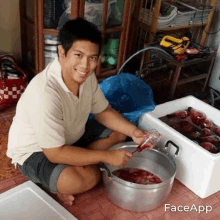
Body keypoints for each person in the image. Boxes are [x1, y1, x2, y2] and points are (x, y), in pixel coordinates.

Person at [7, 18, 157, 206]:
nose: (85, 65)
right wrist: (107, 156)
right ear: (62, 52)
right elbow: (54, 153)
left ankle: (75, 162)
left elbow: (103, 111)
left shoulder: (86, 77)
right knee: (85, 178)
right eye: (78, 55)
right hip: (36, 151)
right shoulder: (45, 93)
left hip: (70, 136)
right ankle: (60, 179)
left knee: (121, 133)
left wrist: (135, 133)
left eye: (92, 57)